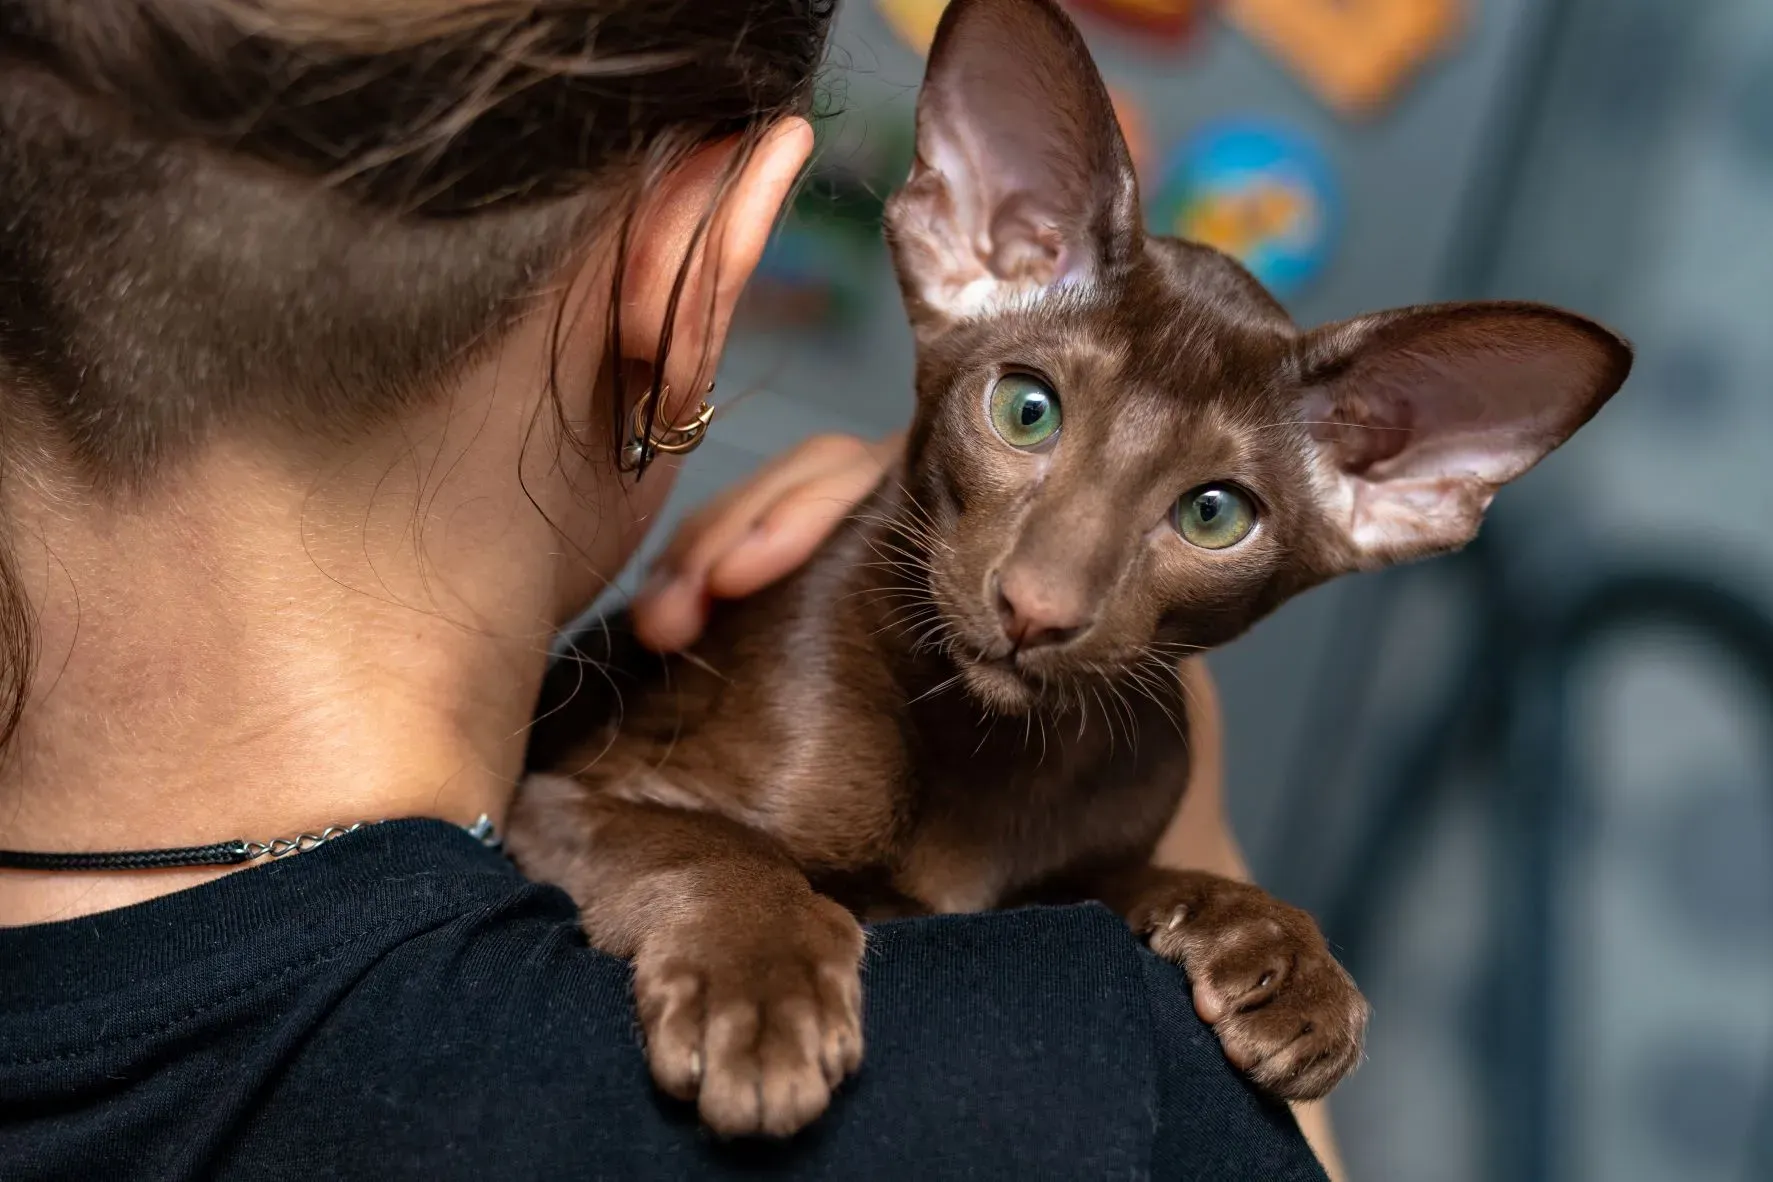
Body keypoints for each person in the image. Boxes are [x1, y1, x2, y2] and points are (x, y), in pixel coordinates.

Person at [0, 2, 1339, 1178]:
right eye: (1032, 414)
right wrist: (1198, 829)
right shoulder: (1089, 1085)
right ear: (696, 279)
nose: (1047, 588)